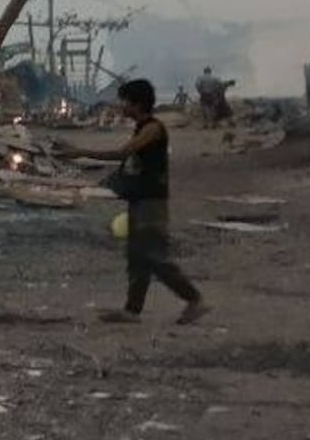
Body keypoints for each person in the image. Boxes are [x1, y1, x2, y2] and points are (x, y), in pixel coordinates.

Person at [56, 79, 208, 325]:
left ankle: (195, 299)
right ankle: (132, 310)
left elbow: (122, 154)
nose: (121, 105)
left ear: (137, 103)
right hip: (140, 199)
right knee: (137, 257)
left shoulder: (153, 128)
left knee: (153, 256)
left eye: (124, 101)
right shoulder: (141, 127)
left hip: (151, 202)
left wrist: (79, 152)